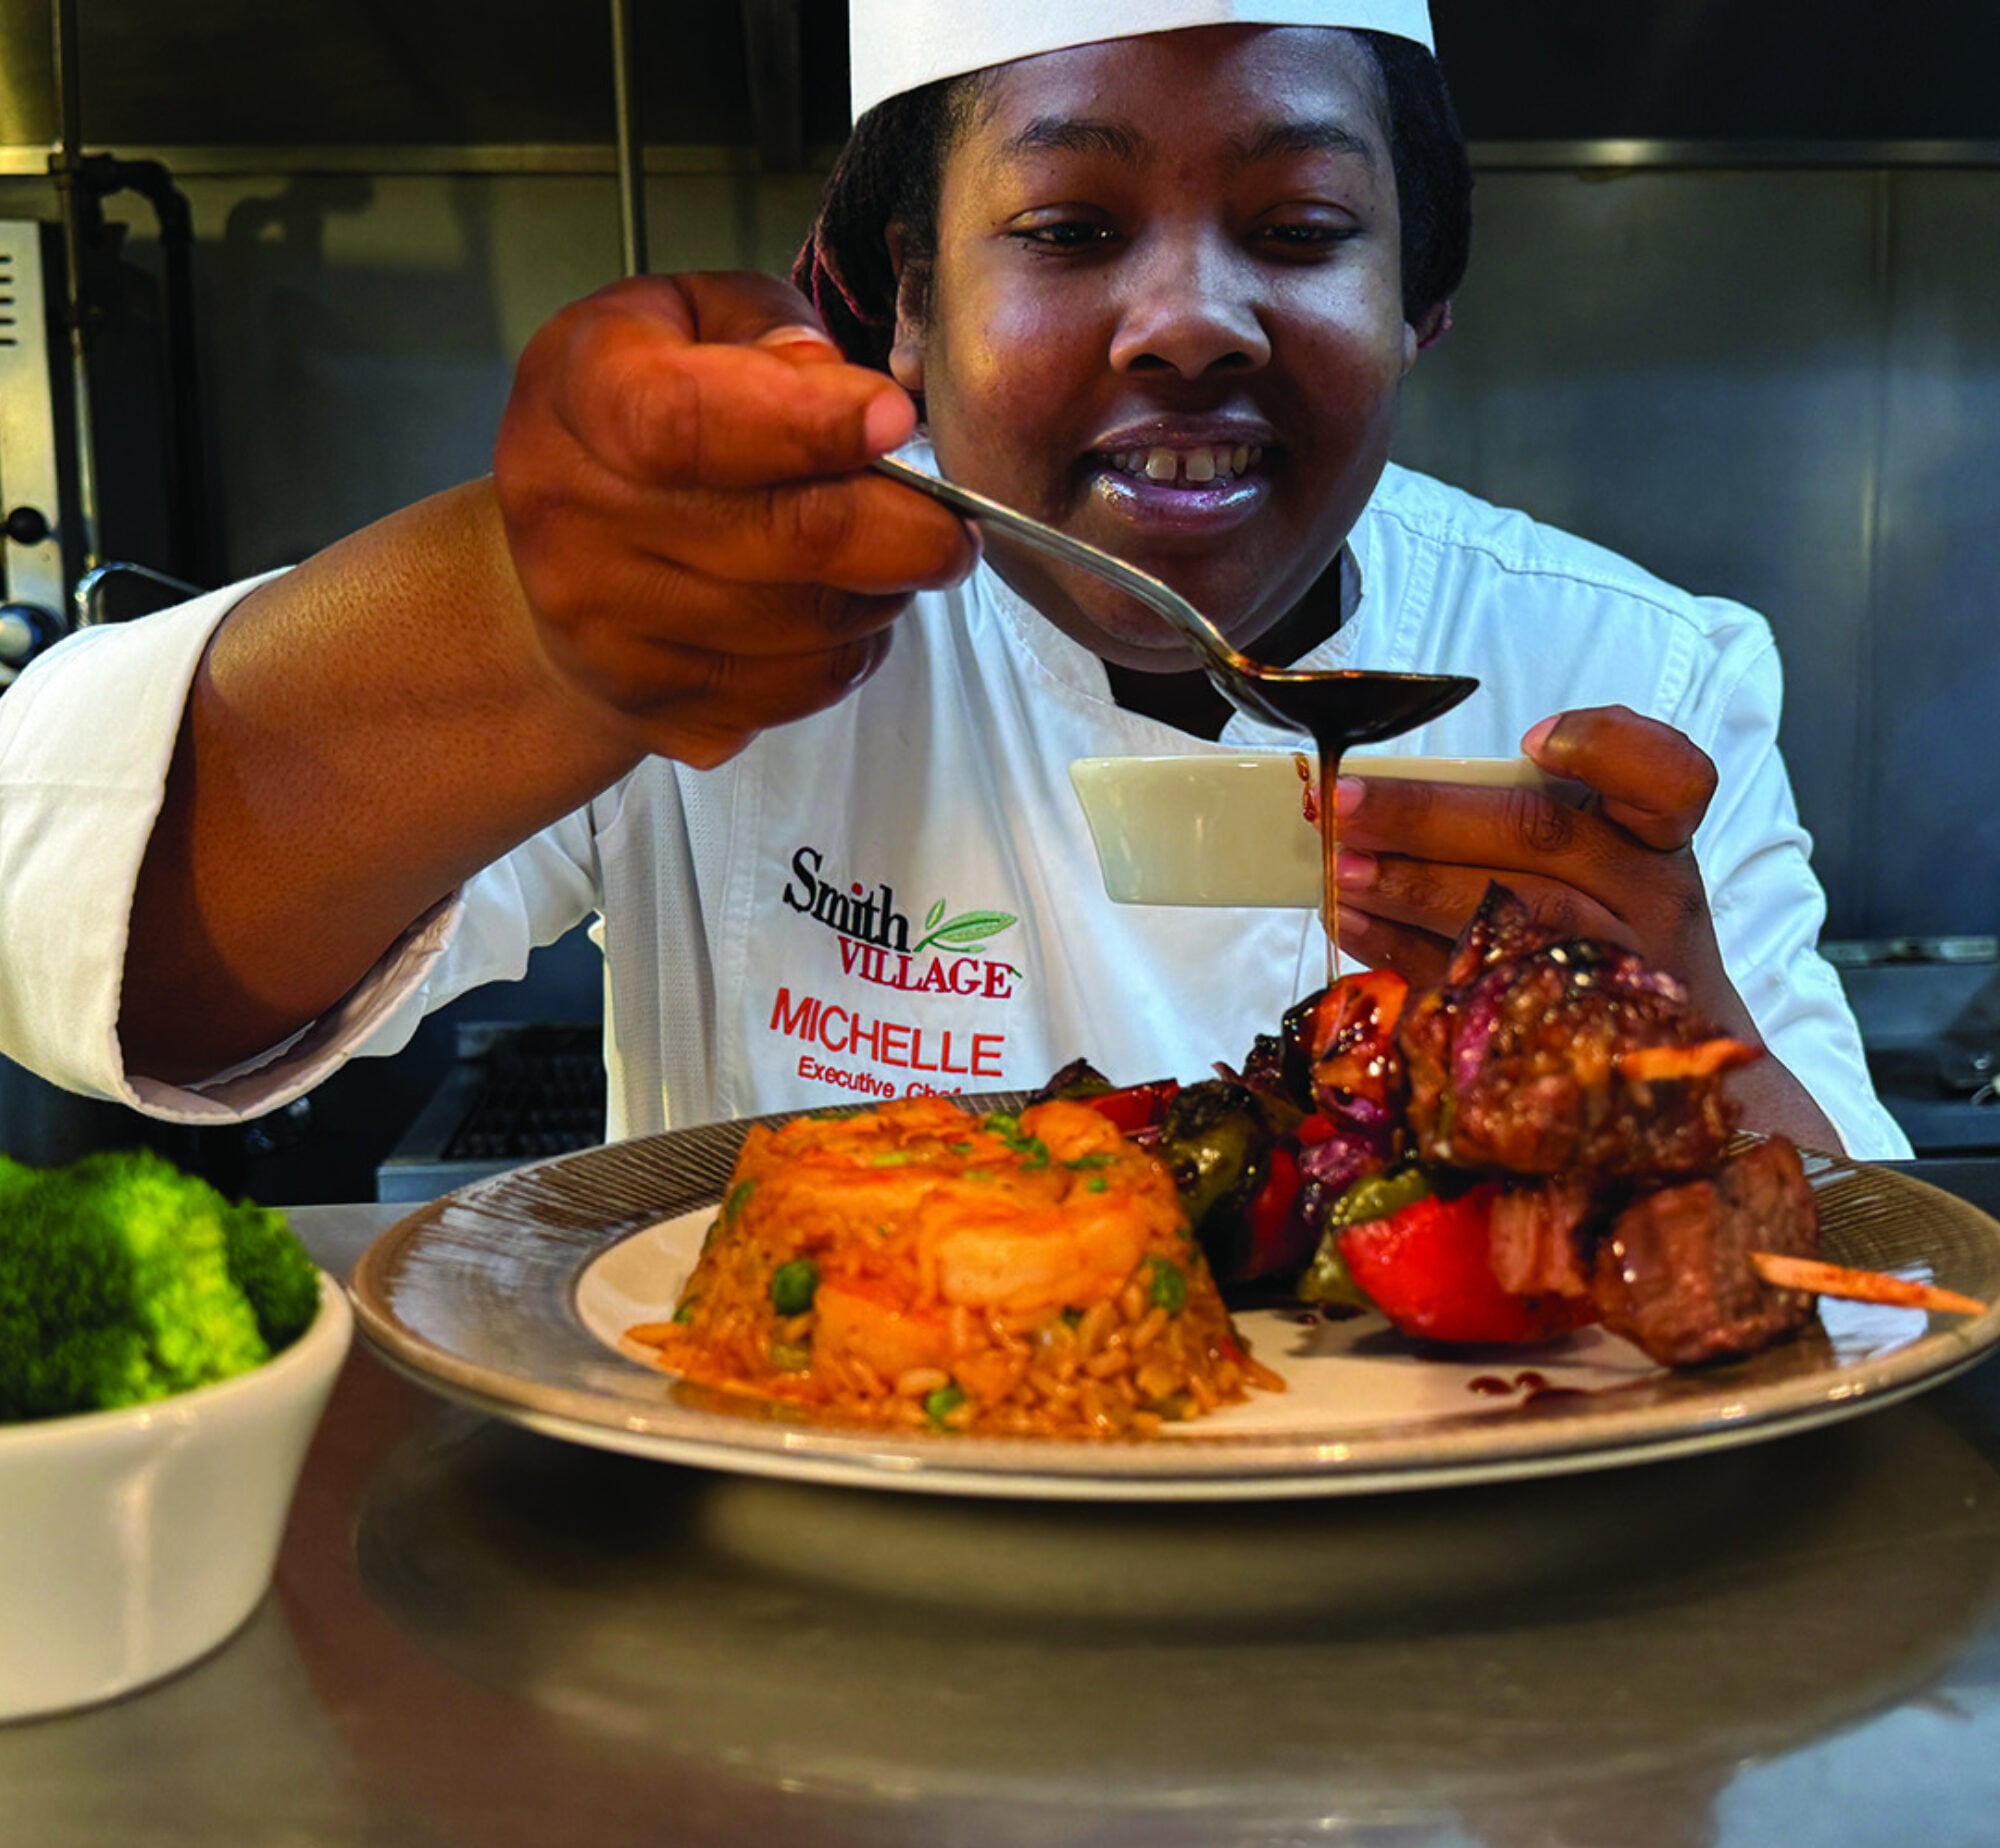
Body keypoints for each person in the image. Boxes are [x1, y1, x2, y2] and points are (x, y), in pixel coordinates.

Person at [0, 0, 1907, 1160]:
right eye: (1069, 226)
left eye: (1301, 228)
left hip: (1450, 1726)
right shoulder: (728, 622)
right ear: (905, 299)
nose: (1188, 321)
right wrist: (535, 628)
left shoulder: (1624, 668)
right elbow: (86, 935)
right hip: (815, 1724)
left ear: (1420, 301)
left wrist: (1681, 1066)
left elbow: (1867, 1318)